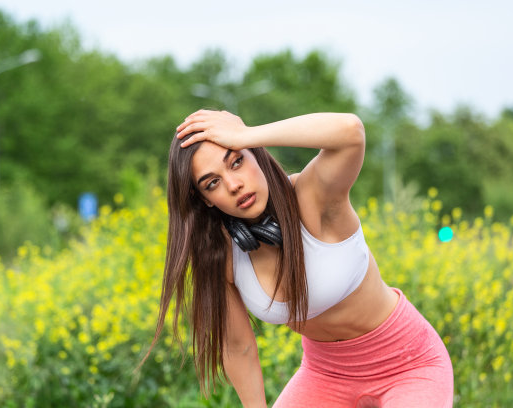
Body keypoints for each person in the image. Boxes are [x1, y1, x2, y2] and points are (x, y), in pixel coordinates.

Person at [143, 110, 454, 407]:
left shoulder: (313, 196)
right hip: (325, 374)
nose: (234, 184)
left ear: (255, 153)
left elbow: (350, 132)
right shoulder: (221, 253)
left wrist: (246, 134)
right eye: (213, 183)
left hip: (408, 363)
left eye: (237, 161)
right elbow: (238, 347)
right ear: (205, 200)